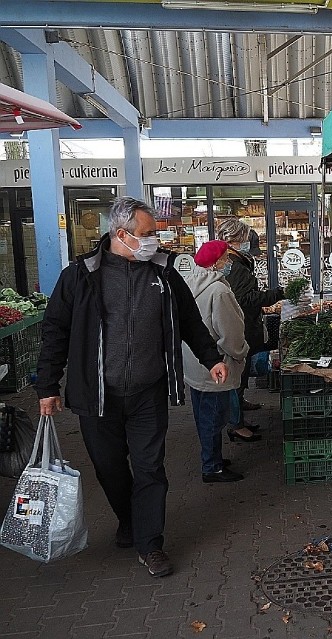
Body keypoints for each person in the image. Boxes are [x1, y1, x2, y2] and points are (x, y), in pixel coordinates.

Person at [35, 196, 228, 578]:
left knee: (150, 468)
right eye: (147, 234)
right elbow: (55, 330)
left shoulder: (163, 273)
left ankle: (150, 543)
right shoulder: (80, 275)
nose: (154, 240)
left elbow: (188, 319)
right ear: (121, 234)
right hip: (97, 395)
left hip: (147, 392)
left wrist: (212, 356)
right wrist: (47, 386)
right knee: (109, 468)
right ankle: (129, 519)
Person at [180, 241, 250, 483]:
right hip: (216, 364)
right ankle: (212, 467)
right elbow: (230, 333)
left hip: (194, 362)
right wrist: (241, 352)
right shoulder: (218, 291)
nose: (228, 263)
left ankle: (212, 457)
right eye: (225, 258)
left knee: (202, 414)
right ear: (216, 262)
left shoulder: (189, 284)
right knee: (215, 416)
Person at [215, 218, 285, 436]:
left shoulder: (237, 262)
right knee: (237, 373)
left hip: (242, 324)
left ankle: (240, 410)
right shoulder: (234, 266)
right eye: (244, 239)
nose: (247, 243)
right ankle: (236, 425)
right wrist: (276, 294)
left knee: (241, 374)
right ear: (235, 239)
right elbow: (246, 298)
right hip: (240, 327)